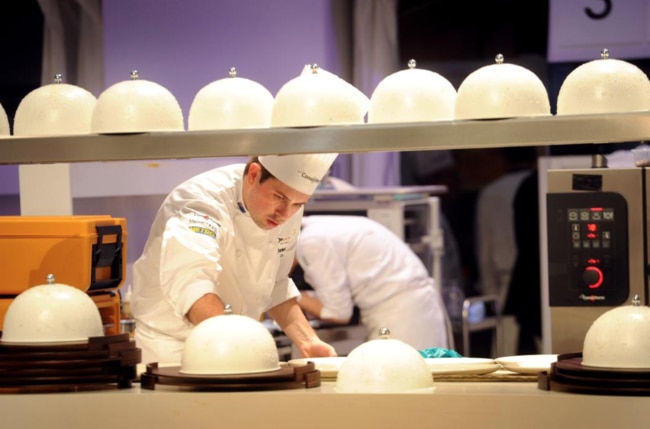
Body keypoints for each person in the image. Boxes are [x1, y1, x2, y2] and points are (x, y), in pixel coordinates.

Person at [131, 153, 340, 364]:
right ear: (254, 174)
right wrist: (239, 345)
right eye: (279, 197)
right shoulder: (200, 203)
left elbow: (275, 283)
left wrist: (308, 341)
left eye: (298, 204)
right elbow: (193, 287)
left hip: (232, 344)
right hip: (174, 349)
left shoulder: (288, 210)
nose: (285, 214)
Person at [293, 214, 450, 351]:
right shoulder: (318, 227)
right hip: (414, 305)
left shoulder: (311, 242)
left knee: (403, 380)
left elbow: (339, 312)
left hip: (401, 316)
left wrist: (288, 294)